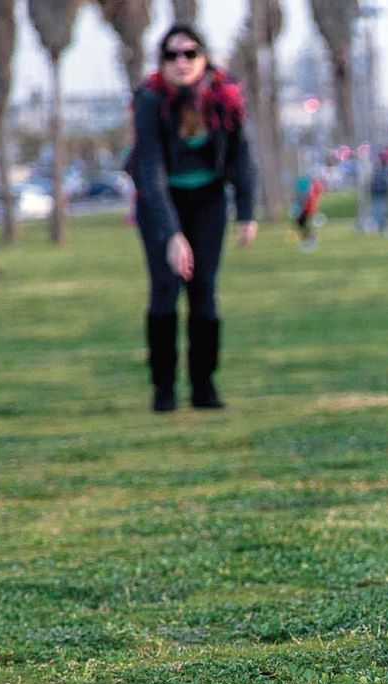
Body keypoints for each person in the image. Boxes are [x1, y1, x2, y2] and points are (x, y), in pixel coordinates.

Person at [130, 23, 257, 412]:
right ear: (162, 62)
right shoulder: (150, 99)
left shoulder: (225, 96)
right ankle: (164, 389)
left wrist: (247, 212)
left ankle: (204, 385)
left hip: (208, 202)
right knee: (165, 290)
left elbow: (241, 155)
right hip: (160, 204)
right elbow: (148, 167)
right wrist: (170, 234)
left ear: (204, 58)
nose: (181, 62)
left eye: (189, 54)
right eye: (171, 55)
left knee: (203, 291)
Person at [293, 172, 324, 251]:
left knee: (300, 223)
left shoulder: (312, 186)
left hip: (307, 208)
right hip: (308, 208)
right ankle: (310, 238)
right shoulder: (313, 186)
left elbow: (307, 198)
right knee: (300, 224)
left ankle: (310, 239)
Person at [369, 149, 388, 234]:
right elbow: (372, 183)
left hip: (384, 194)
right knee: (378, 212)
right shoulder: (376, 169)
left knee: (385, 211)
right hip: (377, 194)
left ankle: (385, 227)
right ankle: (381, 227)